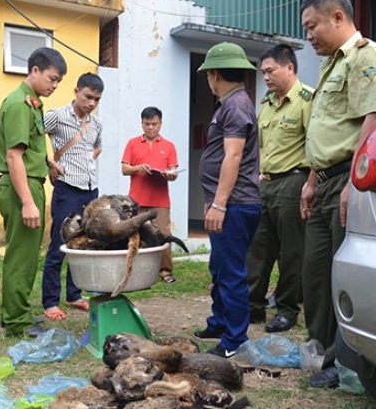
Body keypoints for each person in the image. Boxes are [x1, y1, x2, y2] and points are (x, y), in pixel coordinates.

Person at [299, 0, 376, 387]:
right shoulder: (329, 65)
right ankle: (320, 355)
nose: (308, 36)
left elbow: (372, 123)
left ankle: (347, 364)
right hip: (323, 181)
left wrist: (352, 185)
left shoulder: (369, 58)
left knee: (345, 278)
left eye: (312, 26)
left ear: (337, 17)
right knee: (316, 275)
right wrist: (310, 180)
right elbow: (324, 130)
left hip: (348, 180)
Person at [194, 42, 262, 359]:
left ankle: (234, 340)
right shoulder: (231, 103)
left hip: (234, 204)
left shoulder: (235, 106)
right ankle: (220, 323)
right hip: (227, 202)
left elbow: (233, 157)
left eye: (208, 73)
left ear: (214, 73)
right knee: (219, 266)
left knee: (231, 271)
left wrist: (219, 204)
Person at [0, 47, 67, 336]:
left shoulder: (33, 104)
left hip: (30, 182)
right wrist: (27, 201)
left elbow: (28, 149)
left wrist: (48, 161)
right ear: (34, 71)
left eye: (58, 81)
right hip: (19, 188)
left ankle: (18, 311)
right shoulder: (18, 105)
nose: (54, 85)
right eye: (52, 78)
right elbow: (13, 157)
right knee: (20, 256)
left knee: (26, 256)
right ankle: (16, 321)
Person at [246, 44, 313, 332]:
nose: (266, 77)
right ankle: (253, 307)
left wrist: (311, 184)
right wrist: (258, 175)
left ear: (290, 68)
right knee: (258, 248)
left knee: (291, 252)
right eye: (262, 72)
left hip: (294, 182)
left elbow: (315, 144)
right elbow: (261, 145)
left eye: (270, 71)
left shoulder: (307, 100)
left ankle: (286, 309)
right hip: (267, 183)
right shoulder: (267, 104)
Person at [41, 73, 104, 320]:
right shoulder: (57, 116)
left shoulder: (96, 123)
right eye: (88, 96)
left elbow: (97, 145)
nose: (91, 103)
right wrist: (50, 162)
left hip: (91, 189)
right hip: (67, 188)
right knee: (60, 245)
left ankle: (74, 295)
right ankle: (50, 302)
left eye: (96, 99)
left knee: (83, 245)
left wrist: (86, 160)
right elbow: (33, 137)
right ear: (76, 91)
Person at [121, 107, 179, 283]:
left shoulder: (169, 146)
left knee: (163, 233)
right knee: (136, 235)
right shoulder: (132, 143)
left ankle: (165, 270)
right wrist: (139, 168)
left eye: (154, 124)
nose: (151, 127)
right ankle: (136, 269)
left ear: (160, 124)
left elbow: (174, 171)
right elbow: (124, 169)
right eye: (147, 124)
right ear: (142, 124)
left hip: (160, 200)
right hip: (136, 200)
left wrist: (171, 174)